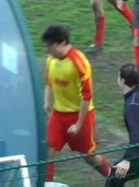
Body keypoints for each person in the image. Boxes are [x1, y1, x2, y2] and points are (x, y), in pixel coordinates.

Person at [42, 25, 111, 182]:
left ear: (61, 43)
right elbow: (48, 82)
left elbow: (86, 96)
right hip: (58, 115)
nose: (47, 50)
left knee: (89, 157)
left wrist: (79, 125)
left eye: (50, 46)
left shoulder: (79, 62)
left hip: (81, 116)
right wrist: (47, 102)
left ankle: (113, 176)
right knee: (47, 153)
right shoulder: (50, 60)